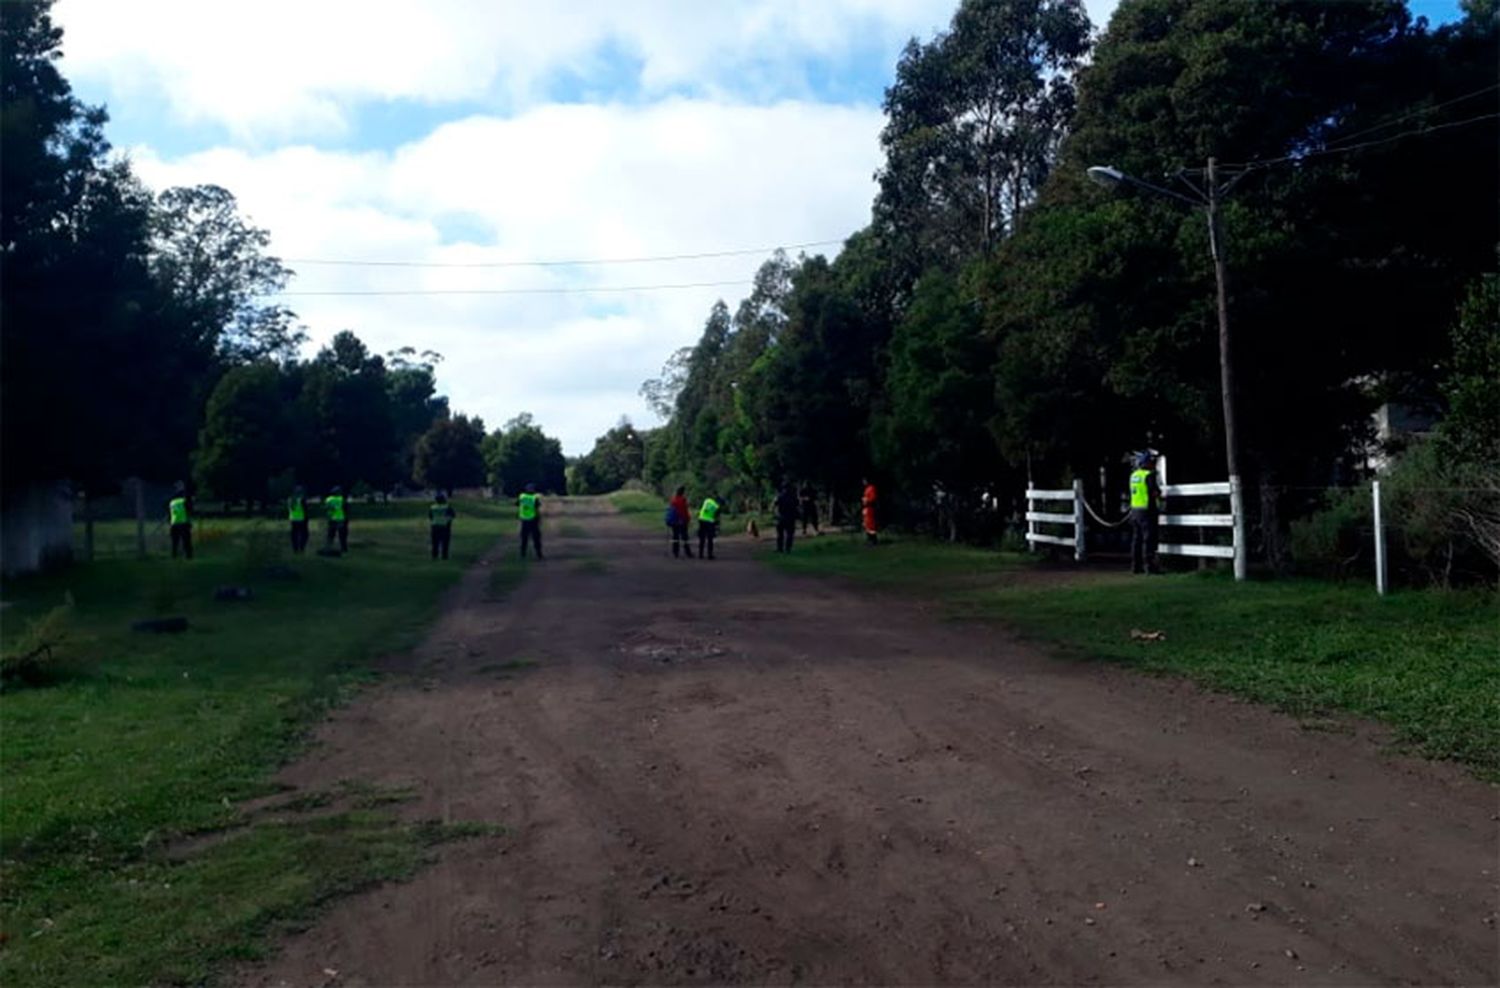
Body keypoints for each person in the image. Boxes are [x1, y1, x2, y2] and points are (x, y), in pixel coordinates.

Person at [1129, 450, 1162, 574]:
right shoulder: (1149, 475)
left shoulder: (1134, 475)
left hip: (1135, 510)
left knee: (1136, 539)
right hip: (1147, 510)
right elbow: (1154, 492)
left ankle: (1136, 567)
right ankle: (1150, 566)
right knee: (1149, 539)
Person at [167, 482, 193, 559]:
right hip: (184, 522)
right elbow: (189, 509)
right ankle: (188, 556)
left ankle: (174, 556)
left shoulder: (171, 500)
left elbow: (169, 511)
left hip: (174, 523)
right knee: (186, 541)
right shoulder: (185, 498)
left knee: (175, 542)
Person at [518, 483, 543, 559]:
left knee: (524, 538)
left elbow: (517, 504)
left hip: (524, 520)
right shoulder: (534, 498)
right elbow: (537, 507)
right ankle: (539, 554)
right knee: (536, 538)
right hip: (533, 520)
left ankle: (523, 554)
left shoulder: (522, 497)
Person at [668, 485, 693, 558]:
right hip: (682, 521)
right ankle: (687, 552)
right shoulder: (682, 500)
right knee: (685, 537)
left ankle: (675, 552)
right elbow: (684, 511)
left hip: (674, 521)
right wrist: (687, 519)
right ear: (682, 492)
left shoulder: (673, 500)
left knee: (675, 536)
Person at [774, 482, 799, 553]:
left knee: (780, 534)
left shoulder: (780, 496)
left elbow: (775, 504)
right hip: (791, 517)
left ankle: (780, 548)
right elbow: (797, 505)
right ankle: (788, 548)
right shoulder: (793, 496)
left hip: (781, 517)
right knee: (790, 534)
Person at [429, 491, 455, 560]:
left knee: (435, 542)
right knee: (445, 542)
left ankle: (434, 556)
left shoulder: (432, 507)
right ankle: (444, 556)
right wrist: (448, 520)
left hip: (434, 526)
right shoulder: (447, 507)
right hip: (444, 526)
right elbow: (452, 515)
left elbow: (430, 516)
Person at [697, 493, 721, 560]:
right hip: (709, 521)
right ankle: (709, 554)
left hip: (701, 519)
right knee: (710, 538)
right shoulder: (716, 506)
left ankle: (700, 554)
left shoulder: (707, 500)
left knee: (702, 538)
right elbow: (717, 516)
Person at [325, 485, 348, 552]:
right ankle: (343, 548)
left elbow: (327, 508)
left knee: (331, 534)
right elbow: (345, 508)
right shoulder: (342, 499)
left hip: (332, 518)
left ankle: (328, 547)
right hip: (340, 518)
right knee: (342, 535)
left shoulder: (329, 499)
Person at [287, 485, 309, 554]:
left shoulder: (290, 499)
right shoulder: (302, 499)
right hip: (302, 518)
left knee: (294, 534)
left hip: (293, 518)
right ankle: (302, 548)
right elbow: (305, 509)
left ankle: (295, 548)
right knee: (304, 534)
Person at [861, 477, 879, 546]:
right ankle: (869, 539)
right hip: (866, 507)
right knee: (866, 524)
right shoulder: (866, 489)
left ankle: (873, 540)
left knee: (870, 524)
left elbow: (872, 498)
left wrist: (866, 500)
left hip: (870, 508)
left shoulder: (871, 488)